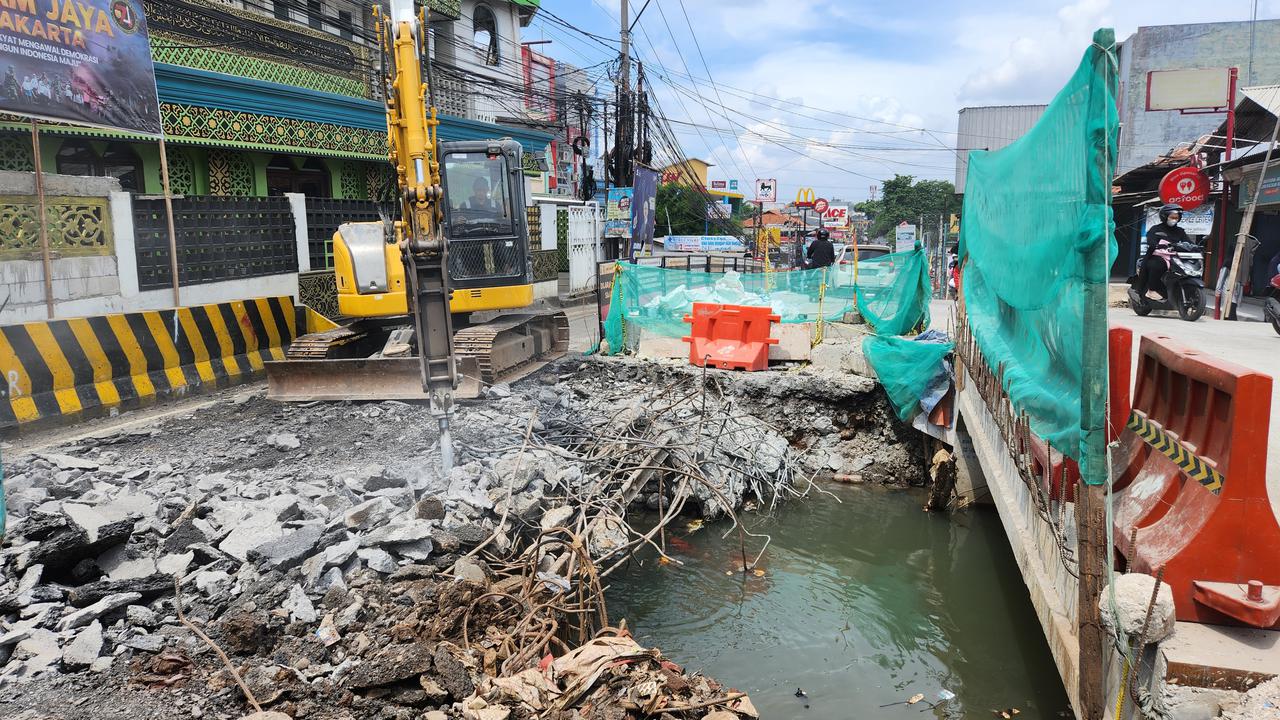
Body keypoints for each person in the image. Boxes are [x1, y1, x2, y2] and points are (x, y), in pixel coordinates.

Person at [1136, 203, 1189, 300]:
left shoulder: (1180, 231)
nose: (1174, 219)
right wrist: (1156, 244)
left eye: (1176, 217)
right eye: (1172, 217)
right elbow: (1150, 240)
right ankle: (1151, 290)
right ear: (1165, 217)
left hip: (1174, 257)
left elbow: (1188, 242)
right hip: (1156, 255)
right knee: (1156, 265)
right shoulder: (1156, 229)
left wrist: (1195, 247)